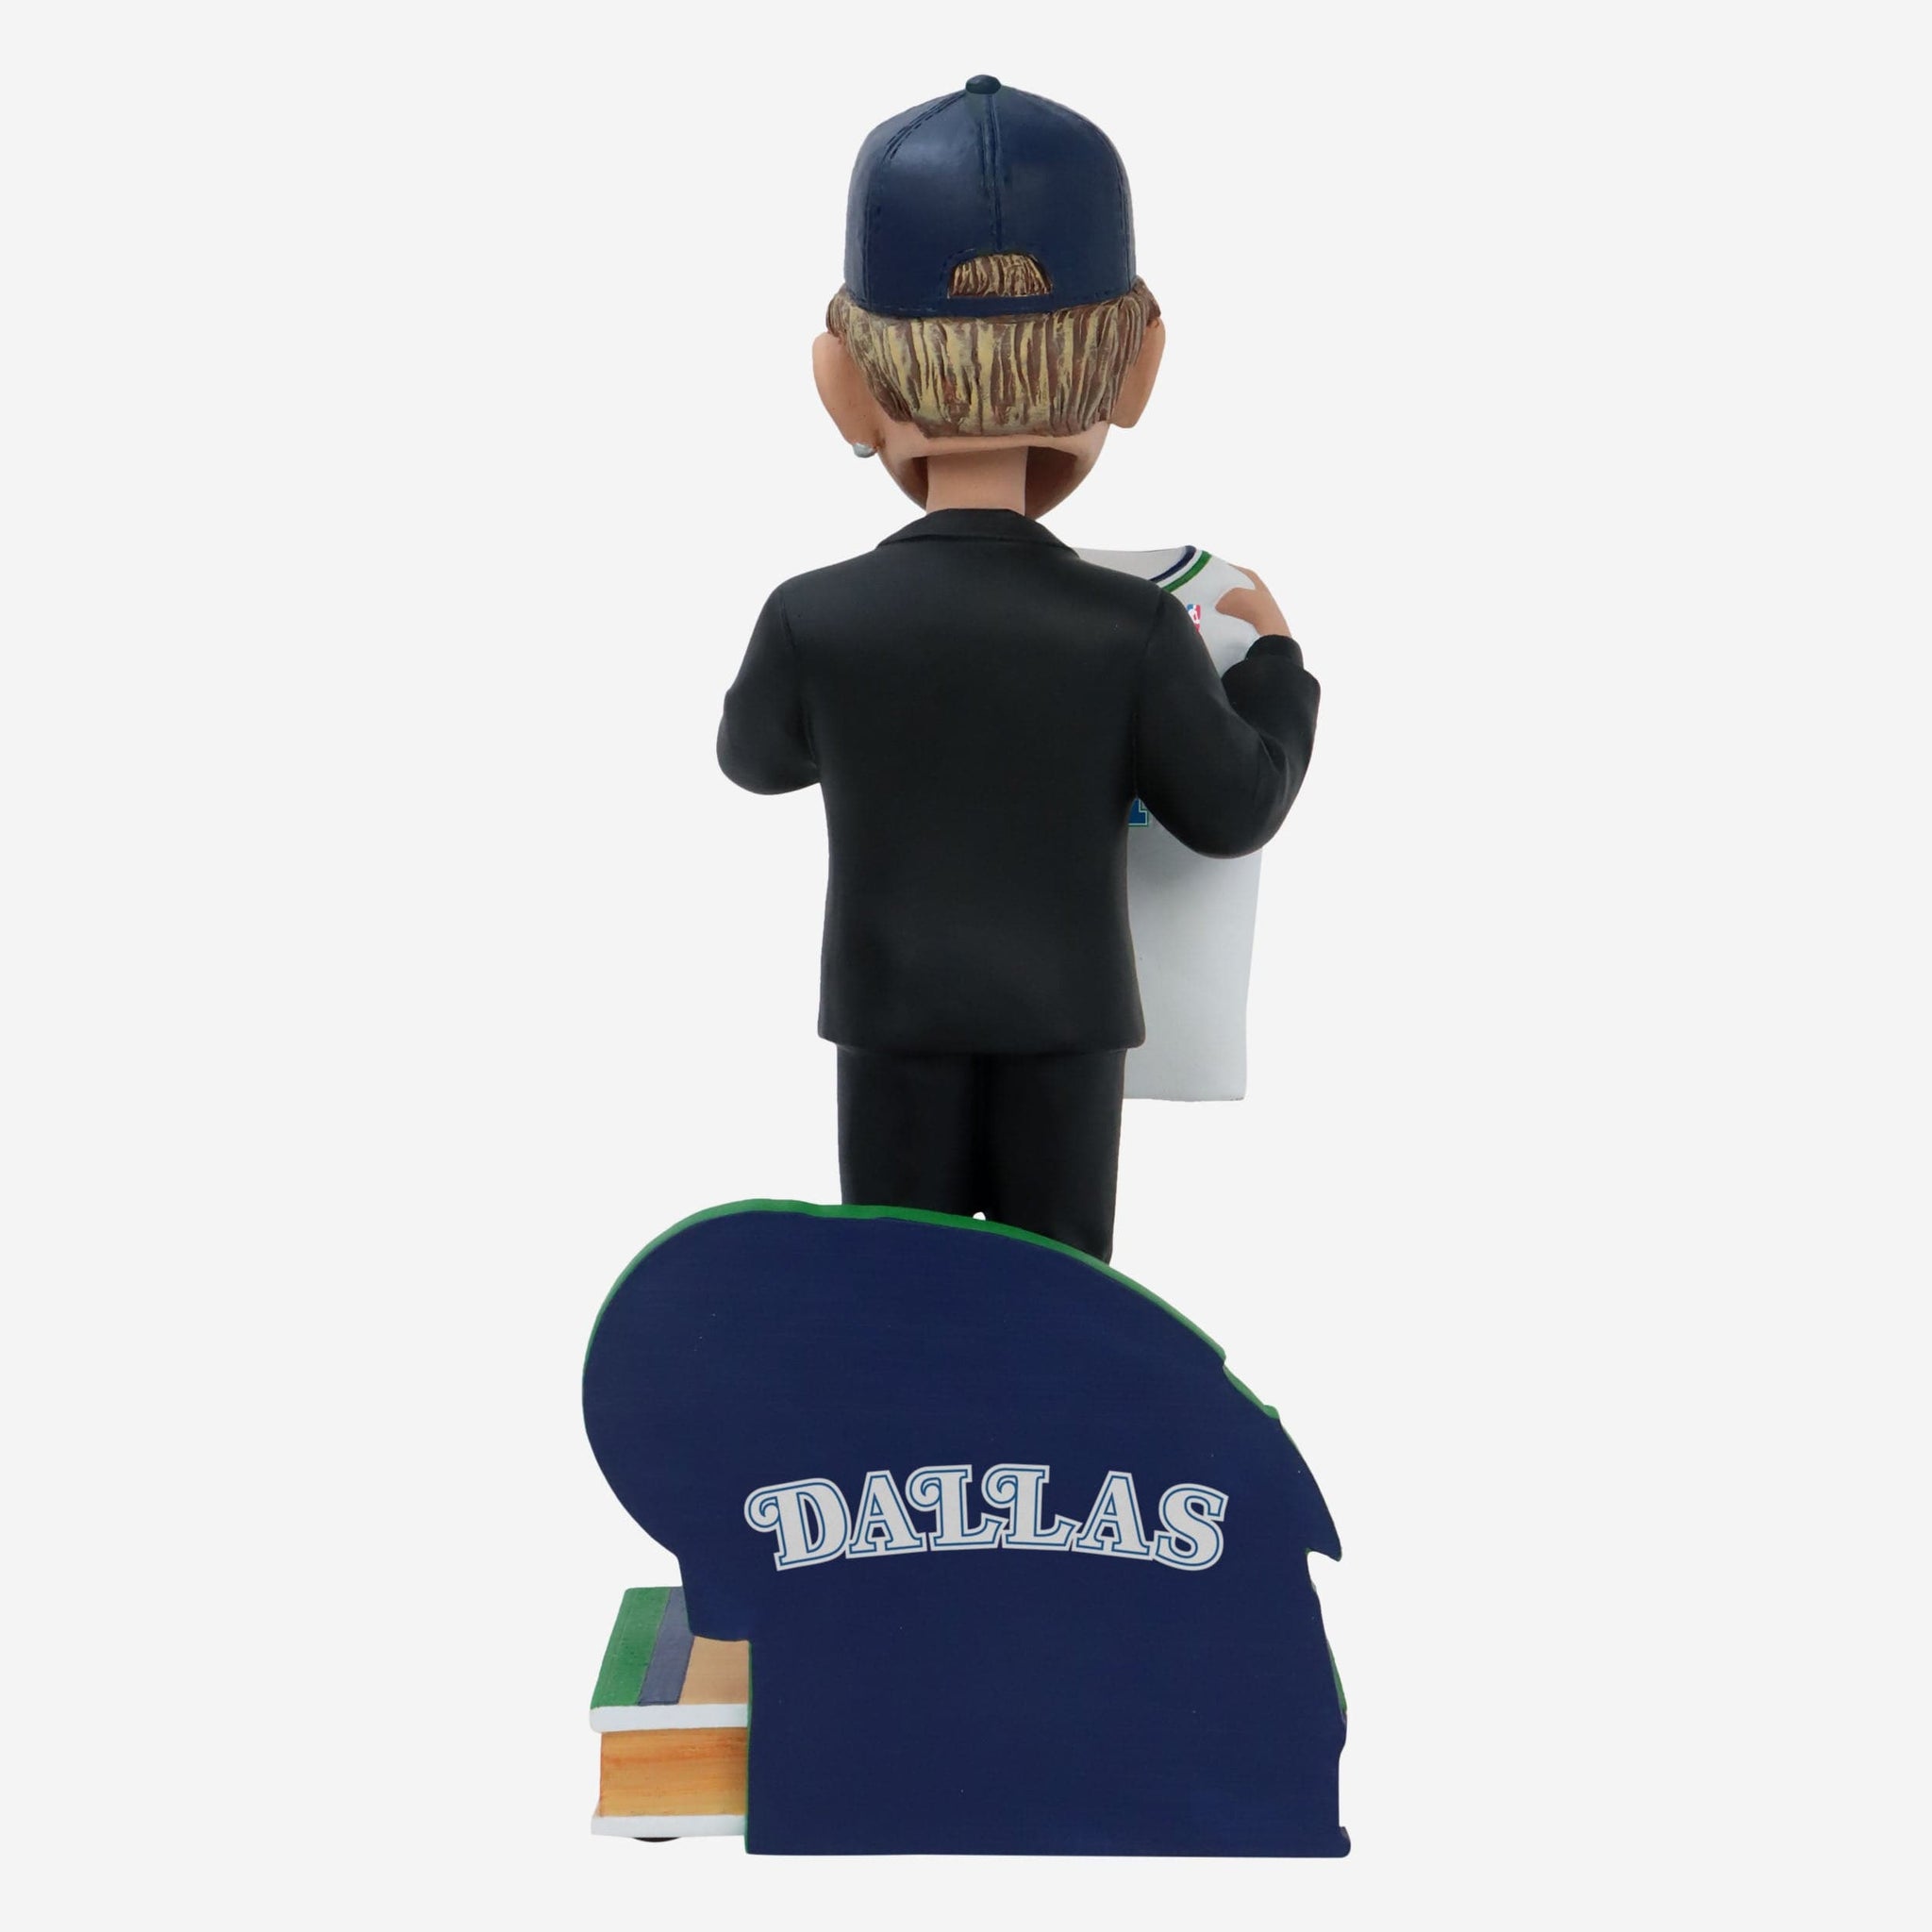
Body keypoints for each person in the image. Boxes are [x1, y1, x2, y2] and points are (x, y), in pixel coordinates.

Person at [718, 77, 1319, 1262]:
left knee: (899, 1277)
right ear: (1133, 370)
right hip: (1068, 1026)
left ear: (844, 383)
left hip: (889, 1017)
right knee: (1060, 1297)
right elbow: (1233, 806)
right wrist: (1274, 666)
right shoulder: (1132, 628)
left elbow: (754, 758)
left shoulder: (811, 617)